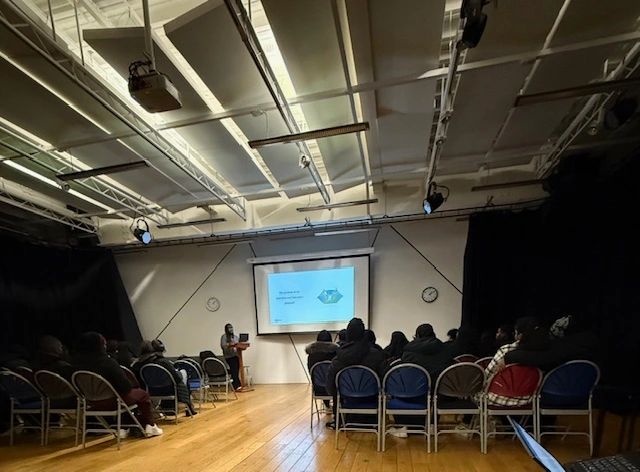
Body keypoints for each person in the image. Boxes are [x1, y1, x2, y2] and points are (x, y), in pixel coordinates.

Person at [74, 332, 163, 437]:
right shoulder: (108, 362)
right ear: (100, 346)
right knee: (141, 394)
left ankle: (124, 427)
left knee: (123, 397)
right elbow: (125, 387)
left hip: (91, 404)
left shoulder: (76, 365)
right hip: (113, 401)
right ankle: (150, 426)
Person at [325, 318, 385, 429]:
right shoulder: (376, 355)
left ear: (348, 334)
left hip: (347, 401)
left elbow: (330, 387)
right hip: (371, 401)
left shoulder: (338, 358)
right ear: (363, 334)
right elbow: (384, 380)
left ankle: (338, 421)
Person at [483, 317, 547, 407]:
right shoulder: (544, 354)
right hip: (529, 400)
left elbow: (488, 375)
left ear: (520, 335)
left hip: (497, 397)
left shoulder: (505, 350)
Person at [505, 315, 599, 370]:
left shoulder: (563, 348)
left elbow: (543, 358)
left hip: (555, 392)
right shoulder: (590, 345)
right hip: (582, 394)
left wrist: (509, 355)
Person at [132, 340, 197, 416]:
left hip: (150, 391)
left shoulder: (137, 365)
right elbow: (176, 379)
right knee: (183, 374)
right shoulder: (163, 362)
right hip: (169, 389)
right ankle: (189, 407)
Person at [220, 323, 241, 390]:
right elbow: (223, 346)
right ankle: (237, 385)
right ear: (226, 329)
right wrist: (229, 344)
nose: (231, 329)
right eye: (229, 328)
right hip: (229, 356)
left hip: (236, 355)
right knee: (234, 370)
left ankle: (236, 384)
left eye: (231, 327)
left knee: (236, 370)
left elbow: (239, 344)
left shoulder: (235, 337)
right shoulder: (224, 336)